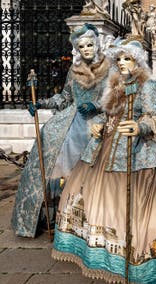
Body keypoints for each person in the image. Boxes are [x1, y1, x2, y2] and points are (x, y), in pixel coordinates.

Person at [52, 39, 156, 284]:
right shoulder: (115, 85)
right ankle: (107, 260)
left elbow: (154, 117)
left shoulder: (148, 85)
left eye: (126, 59)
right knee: (93, 199)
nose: (121, 64)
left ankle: (143, 266)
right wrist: (96, 125)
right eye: (118, 60)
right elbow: (106, 115)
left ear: (138, 61)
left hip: (138, 153)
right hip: (105, 148)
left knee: (144, 211)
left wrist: (140, 127)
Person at [11, 23, 110, 238]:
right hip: (71, 121)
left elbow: (117, 98)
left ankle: (93, 221)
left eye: (90, 45)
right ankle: (58, 215)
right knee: (50, 140)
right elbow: (64, 99)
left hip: (97, 122)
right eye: (81, 46)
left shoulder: (109, 69)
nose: (86, 49)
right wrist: (40, 104)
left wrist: (98, 105)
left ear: (97, 44)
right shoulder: (73, 72)